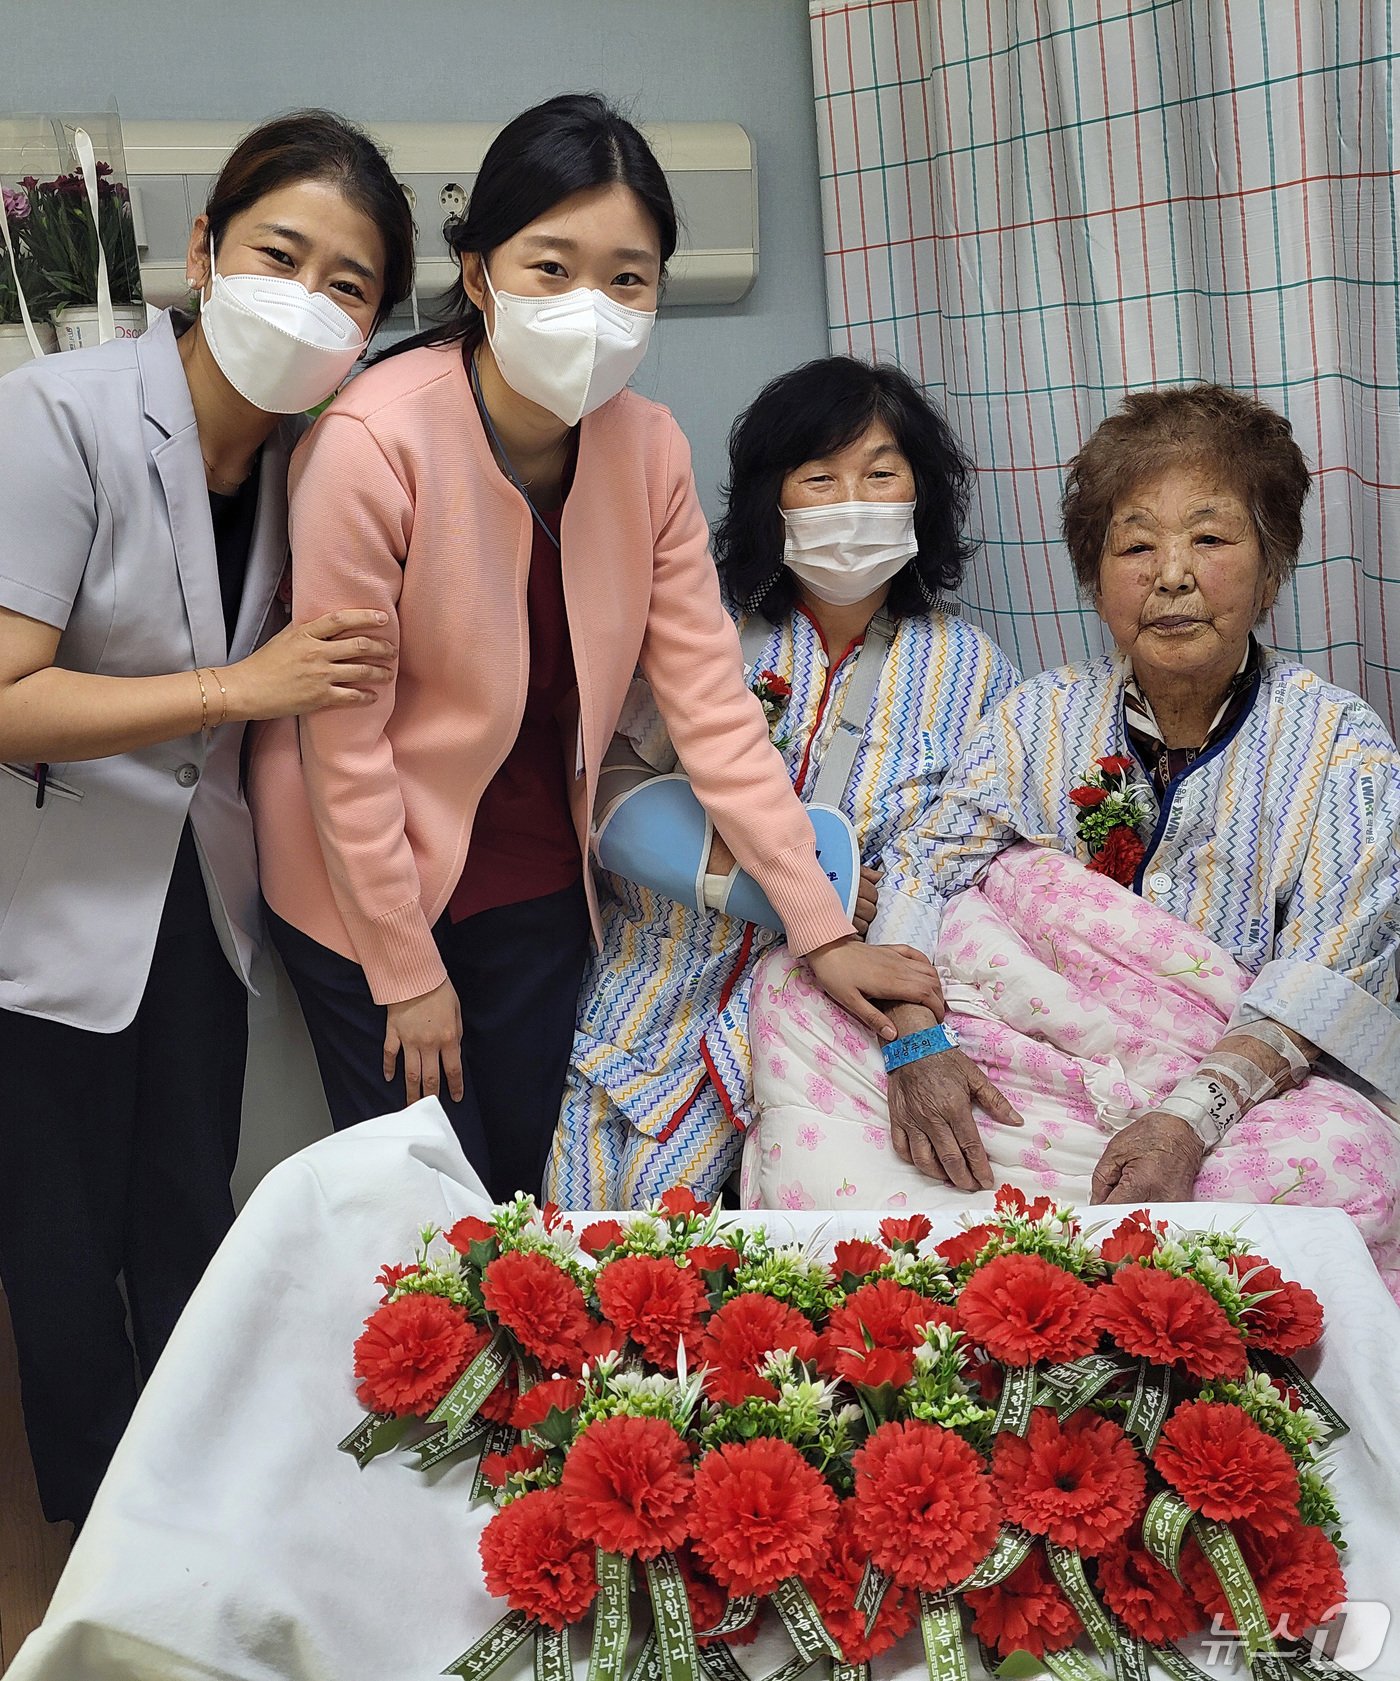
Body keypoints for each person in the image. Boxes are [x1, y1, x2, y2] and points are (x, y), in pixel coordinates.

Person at [248, 96, 941, 1206]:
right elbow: (344, 740)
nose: (591, 307)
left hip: (531, 861)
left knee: (525, 1191)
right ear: (476, 274)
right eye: (550, 267)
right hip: (359, 870)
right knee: (422, 1204)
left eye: (626, 278)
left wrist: (820, 929)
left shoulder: (645, 450)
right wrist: (403, 967)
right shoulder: (372, 443)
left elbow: (710, 703)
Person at [743, 385, 1400, 1290]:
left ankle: (1034, 1255)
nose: (1171, 574)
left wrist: (1183, 1120)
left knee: (1348, 1160)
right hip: (1024, 1082)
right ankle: (994, 1270)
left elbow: (1331, 979)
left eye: (1209, 539)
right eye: (1136, 546)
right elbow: (925, 871)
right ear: (1097, 581)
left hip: (1221, 1105)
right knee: (791, 985)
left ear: (1272, 564)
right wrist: (915, 1043)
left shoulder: (1341, 745)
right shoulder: (1039, 718)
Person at [0, 110, 412, 1527]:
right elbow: (4, 693)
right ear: (203, 252)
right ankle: (102, 1539)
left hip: (204, 887)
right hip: (40, 894)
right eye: (279, 253)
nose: (309, 297)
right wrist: (241, 685)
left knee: (187, 1200)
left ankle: (197, 1520)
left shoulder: (322, 457)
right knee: (55, 1246)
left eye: (349, 283)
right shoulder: (58, 416)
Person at [545, 356, 1019, 1207]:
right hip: (642, 1001)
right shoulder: (706, 630)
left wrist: (910, 1014)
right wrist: (778, 885)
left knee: (750, 1295)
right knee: (582, 1265)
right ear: (774, 497)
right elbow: (598, 794)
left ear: (922, 495)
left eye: (880, 474)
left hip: (815, 1030)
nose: (851, 502)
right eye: (819, 476)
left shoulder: (971, 667)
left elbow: (962, 860)